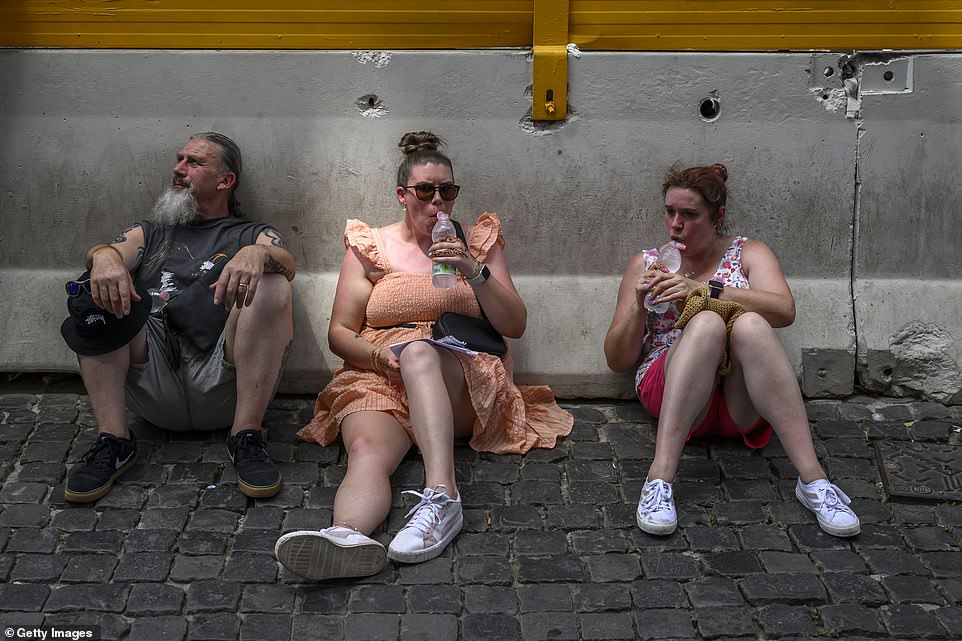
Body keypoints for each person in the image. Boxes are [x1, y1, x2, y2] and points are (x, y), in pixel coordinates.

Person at [274, 131, 572, 580]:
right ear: (402, 195)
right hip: (383, 371)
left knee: (419, 353)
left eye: (447, 191)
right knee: (364, 449)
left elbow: (514, 325)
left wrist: (475, 271)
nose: (439, 201)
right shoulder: (369, 245)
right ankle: (346, 536)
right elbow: (339, 333)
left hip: (464, 374)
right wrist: (377, 359)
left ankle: (443, 496)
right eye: (426, 191)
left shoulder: (478, 241)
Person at [604, 163, 860, 538]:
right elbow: (616, 360)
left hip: (740, 401)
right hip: (678, 393)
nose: (676, 224)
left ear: (717, 216)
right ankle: (659, 479)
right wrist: (638, 305)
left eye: (689, 215)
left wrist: (708, 292)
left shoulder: (748, 252)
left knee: (750, 323)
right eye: (670, 212)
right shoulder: (645, 263)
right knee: (705, 324)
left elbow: (784, 310)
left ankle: (814, 482)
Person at [60, 132, 295, 503]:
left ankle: (245, 436)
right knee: (94, 285)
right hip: (153, 372)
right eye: (179, 159)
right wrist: (103, 256)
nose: (178, 169)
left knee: (273, 285)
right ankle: (115, 439)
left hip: (221, 376)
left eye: (193, 162)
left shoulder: (251, 233)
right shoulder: (150, 231)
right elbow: (111, 251)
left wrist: (254, 253)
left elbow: (285, 262)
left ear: (225, 180)